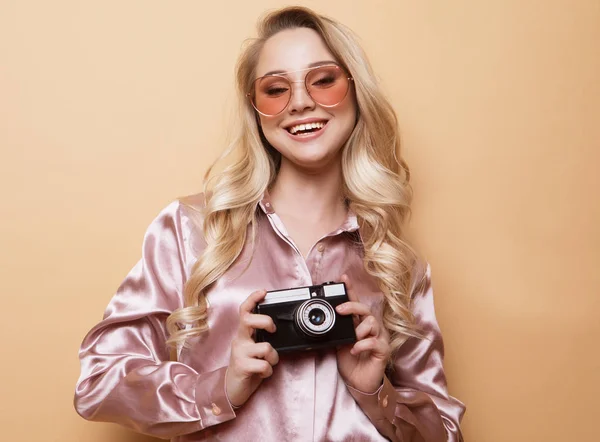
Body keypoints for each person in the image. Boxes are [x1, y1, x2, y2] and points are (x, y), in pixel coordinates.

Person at [74, 6, 466, 441]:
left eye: (323, 80)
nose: (300, 102)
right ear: (256, 109)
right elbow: (98, 381)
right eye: (275, 89)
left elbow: (445, 434)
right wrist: (222, 386)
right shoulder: (192, 231)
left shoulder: (397, 266)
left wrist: (375, 391)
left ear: (356, 92)